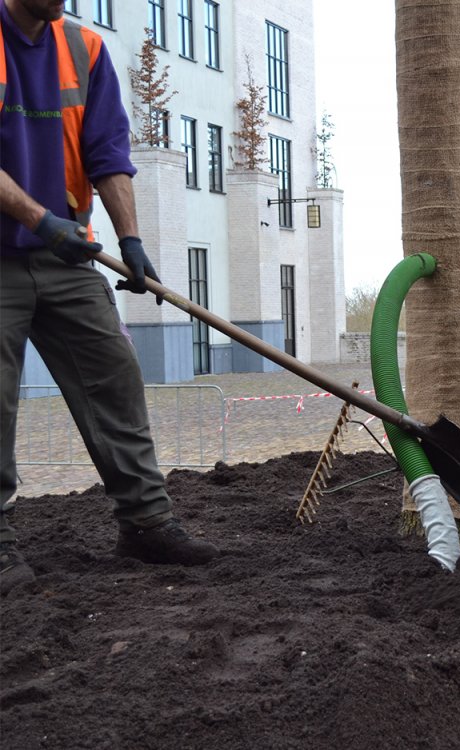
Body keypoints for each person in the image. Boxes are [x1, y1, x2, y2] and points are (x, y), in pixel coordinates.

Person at [0, 0, 218, 596]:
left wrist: (131, 237)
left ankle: (146, 523)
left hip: (64, 255)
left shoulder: (85, 49)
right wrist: (42, 220)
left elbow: (107, 155)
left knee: (114, 374)